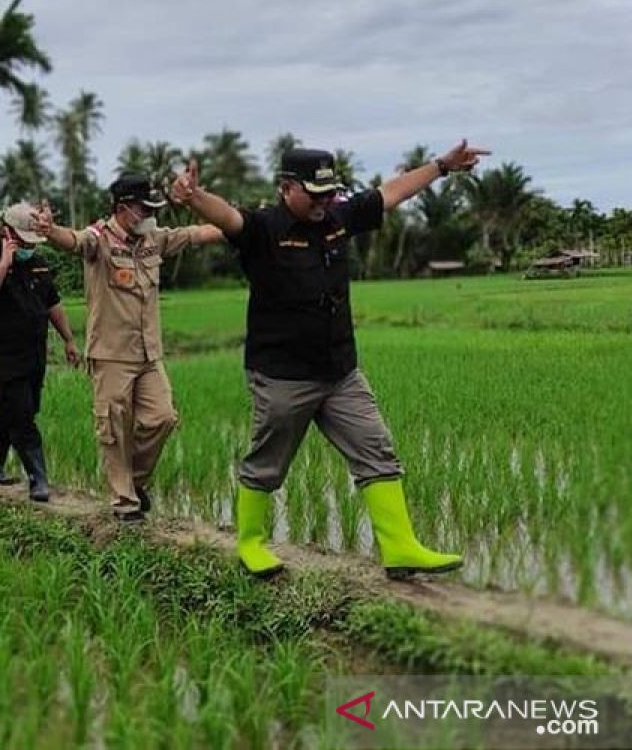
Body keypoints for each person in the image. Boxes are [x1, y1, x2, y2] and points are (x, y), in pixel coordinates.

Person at [170, 141, 489, 578]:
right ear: (286, 188)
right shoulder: (264, 228)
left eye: (329, 192)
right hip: (282, 374)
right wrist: (194, 198)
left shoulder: (338, 216)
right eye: (314, 194)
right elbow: (229, 217)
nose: (324, 202)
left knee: (376, 450)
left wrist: (442, 166)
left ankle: (399, 548)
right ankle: (250, 543)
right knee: (268, 460)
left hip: (340, 371)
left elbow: (390, 194)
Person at [33, 174, 224, 521]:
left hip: (149, 354)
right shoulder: (99, 239)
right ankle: (125, 503)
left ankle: (133, 482)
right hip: (110, 354)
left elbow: (199, 233)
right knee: (114, 428)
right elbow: (73, 241)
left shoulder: (154, 238)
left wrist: (239, 223)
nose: (150, 214)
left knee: (163, 417)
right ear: (123, 209)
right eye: (143, 208)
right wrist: (49, 230)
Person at [0, 203, 81, 502]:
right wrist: (4, 265)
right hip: (1, 354)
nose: (30, 247)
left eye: (33, 242)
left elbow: (52, 303)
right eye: (24, 241)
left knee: (21, 409)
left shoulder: (39, 262)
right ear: (8, 233)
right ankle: (38, 479)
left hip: (34, 352)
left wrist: (69, 339)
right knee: (21, 415)